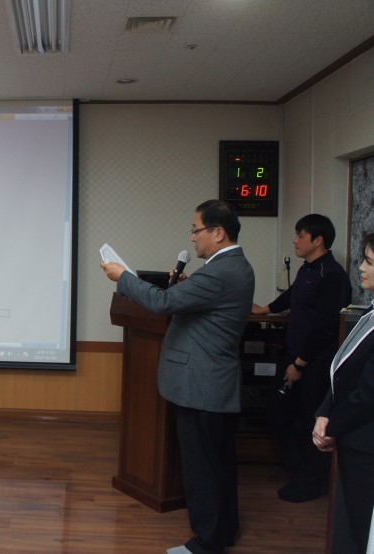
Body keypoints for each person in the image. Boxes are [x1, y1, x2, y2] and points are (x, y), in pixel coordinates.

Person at [100, 200, 254, 554]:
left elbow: (163, 304)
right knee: (218, 464)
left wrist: (123, 278)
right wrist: (184, 285)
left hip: (202, 384)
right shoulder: (233, 266)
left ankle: (207, 544)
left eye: (196, 230)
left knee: (202, 469)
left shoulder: (220, 271)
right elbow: (195, 304)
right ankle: (223, 531)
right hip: (212, 383)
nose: (192, 237)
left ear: (218, 232)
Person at [252, 214, 352, 502]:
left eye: (300, 235)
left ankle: (312, 483)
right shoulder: (307, 269)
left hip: (315, 362)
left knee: (311, 421)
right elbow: (292, 297)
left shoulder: (332, 275)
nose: (295, 240)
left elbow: (323, 327)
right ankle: (299, 472)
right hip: (295, 356)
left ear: (317, 240)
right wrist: (264, 309)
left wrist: (300, 364)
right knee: (279, 415)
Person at [313, 232, 374, 554]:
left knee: (361, 528)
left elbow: (367, 393)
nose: (361, 267)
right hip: (351, 437)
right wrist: (324, 412)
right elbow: (342, 370)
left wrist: (331, 427)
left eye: (369, 262)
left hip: (366, 442)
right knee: (349, 523)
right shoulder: (369, 312)